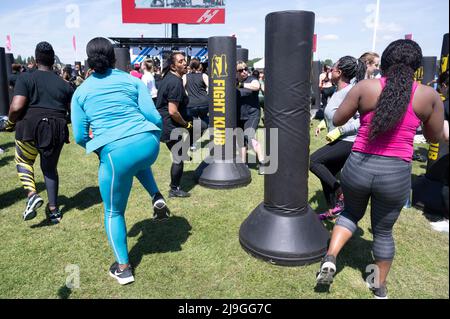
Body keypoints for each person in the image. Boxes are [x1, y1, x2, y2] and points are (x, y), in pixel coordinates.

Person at [316, 40, 444, 299]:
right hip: (395, 172)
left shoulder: (366, 87)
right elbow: (434, 137)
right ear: (417, 67)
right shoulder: (428, 96)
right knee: (383, 231)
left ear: (384, 62)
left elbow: (338, 119)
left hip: (359, 165)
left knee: (351, 213)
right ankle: (378, 287)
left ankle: (330, 258)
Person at [71, 37, 169, 285]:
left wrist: (99, 150)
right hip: (148, 144)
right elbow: (153, 117)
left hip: (116, 154)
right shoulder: (131, 80)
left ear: (88, 60)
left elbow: (80, 136)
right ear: (114, 57)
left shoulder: (81, 92)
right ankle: (156, 195)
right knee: (136, 161)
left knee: (113, 211)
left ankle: (123, 268)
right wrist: (153, 135)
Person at [0, 42, 74, 223]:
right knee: (50, 169)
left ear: (35, 59)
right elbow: (72, 113)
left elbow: (16, 107)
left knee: (23, 160)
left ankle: (32, 194)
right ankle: (54, 210)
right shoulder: (65, 85)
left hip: (30, 127)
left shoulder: (25, 78)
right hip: (56, 128)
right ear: (52, 59)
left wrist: (9, 123)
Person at [311, 56, 366, 220]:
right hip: (339, 140)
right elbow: (336, 112)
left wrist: (340, 130)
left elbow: (361, 119)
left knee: (314, 161)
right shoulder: (338, 90)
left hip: (349, 141)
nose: (329, 71)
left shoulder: (351, 91)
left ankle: (340, 192)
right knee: (326, 175)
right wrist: (323, 122)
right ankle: (333, 211)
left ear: (339, 72)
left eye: (332, 69)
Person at [156, 51, 192, 198]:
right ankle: (174, 189)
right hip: (169, 125)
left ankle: (175, 187)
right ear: (173, 66)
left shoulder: (169, 78)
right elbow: (172, 111)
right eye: (180, 62)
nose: (185, 63)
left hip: (166, 123)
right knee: (179, 156)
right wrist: (185, 124)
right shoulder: (175, 82)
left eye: (185, 60)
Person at [236, 60, 265, 172]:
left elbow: (256, 86)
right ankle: (243, 164)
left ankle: (262, 162)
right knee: (241, 140)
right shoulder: (233, 81)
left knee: (248, 136)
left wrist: (241, 84)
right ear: (236, 72)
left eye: (245, 69)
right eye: (241, 70)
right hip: (239, 115)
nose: (244, 71)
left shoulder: (251, 79)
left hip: (252, 114)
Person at [183, 57, 209, 145]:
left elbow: (181, 88)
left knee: (193, 125)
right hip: (204, 103)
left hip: (191, 104)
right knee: (205, 123)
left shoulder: (185, 76)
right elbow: (211, 86)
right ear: (199, 66)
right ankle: (193, 140)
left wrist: (186, 94)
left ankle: (192, 142)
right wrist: (206, 94)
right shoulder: (204, 75)